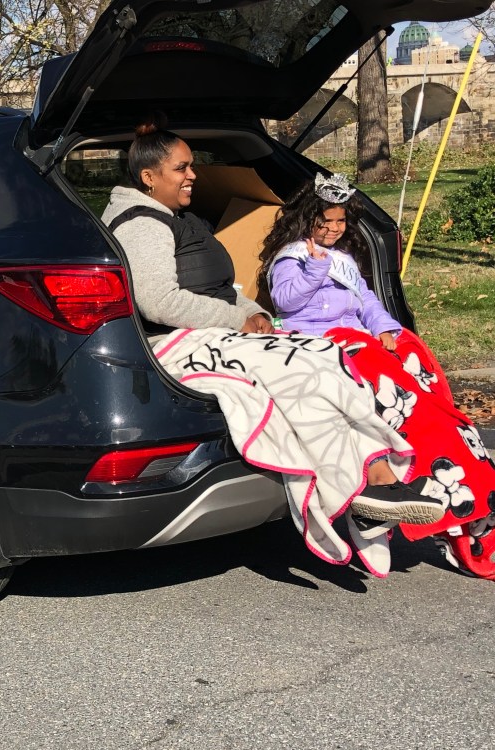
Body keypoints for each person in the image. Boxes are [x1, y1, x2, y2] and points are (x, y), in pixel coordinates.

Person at [101, 117, 445, 577]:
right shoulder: (142, 224)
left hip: (215, 329)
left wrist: (254, 313)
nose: (193, 175)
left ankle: (375, 478)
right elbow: (159, 302)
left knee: (325, 355)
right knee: (304, 368)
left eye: (191, 166)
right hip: (175, 341)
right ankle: (365, 484)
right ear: (149, 177)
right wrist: (238, 320)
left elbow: (222, 290)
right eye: (182, 168)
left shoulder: (177, 217)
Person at [261, 174, 495, 579]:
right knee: (394, 389)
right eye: (325, 221)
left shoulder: (344, 260)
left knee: (414, 357)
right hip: (318, 340)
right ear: (307, 219)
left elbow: (366, 300)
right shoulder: (291, 257)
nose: (334, 229)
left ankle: (456, 457)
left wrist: (384, 326)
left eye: (340, 222)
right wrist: (315, 267)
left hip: (357, 335)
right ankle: (415, 467)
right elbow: (286, 301)